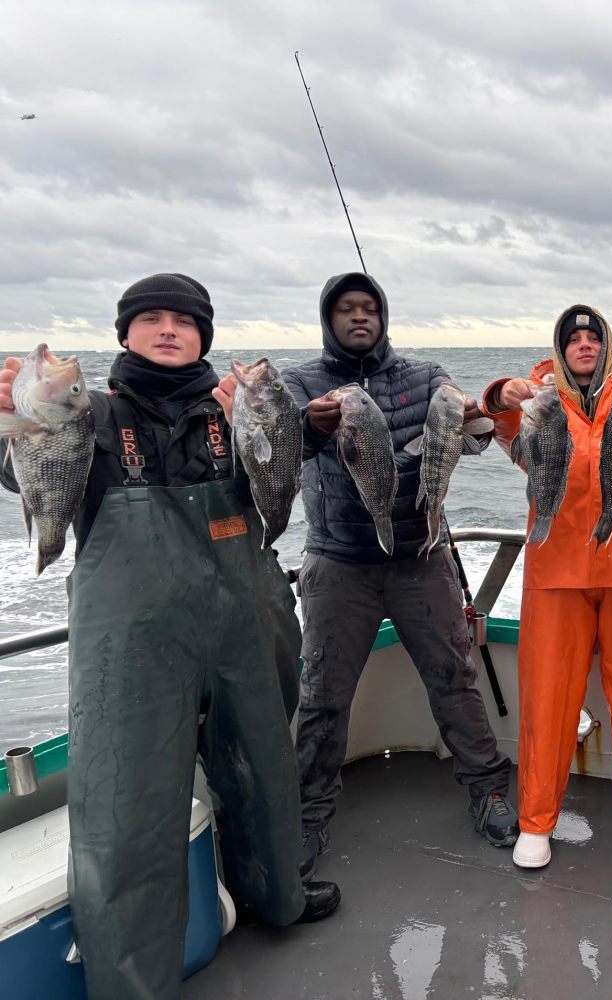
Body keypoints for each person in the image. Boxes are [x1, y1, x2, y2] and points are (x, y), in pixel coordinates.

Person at [0, 273, 339, 1000]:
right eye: (150, 318)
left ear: (203, 337)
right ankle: (132, 977)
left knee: (264, 764)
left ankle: (278, 895)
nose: (167, 329)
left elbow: (274, 478)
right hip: (133, 638)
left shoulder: (230, 410)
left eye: (184, 321)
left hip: (243, 617)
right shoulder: (86, 414)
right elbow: (25, 467)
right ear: (124, 334)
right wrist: (12, 421)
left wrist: (298, 427)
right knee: (127, 801)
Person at [283, 272, 516, 879]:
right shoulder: (302, 383)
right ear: (328, 318)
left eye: (369, 309)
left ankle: (489, 789)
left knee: (453, 677)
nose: (359, 317)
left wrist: (474, 416)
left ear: (383, 317)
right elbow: (278, 450)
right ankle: (308, 813)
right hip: (338, 564)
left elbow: (477, 442)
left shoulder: (426, 376)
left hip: (421, 557)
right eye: (345, 309)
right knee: (323, 698)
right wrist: (309, 426)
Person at [482, 305, 612, 869]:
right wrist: (503, 392)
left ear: (607, 346)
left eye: (594, 337)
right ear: (559, 349)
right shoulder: (537, 406)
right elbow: (490, 420)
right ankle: (536, 820)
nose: (584, 344)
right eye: (573, 338)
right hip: (555, 573)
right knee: (547, 702)